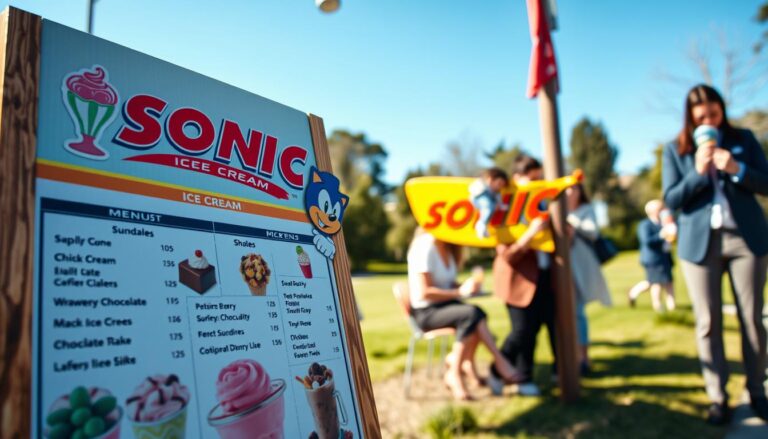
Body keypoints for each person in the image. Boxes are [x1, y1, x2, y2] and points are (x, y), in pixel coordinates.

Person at [662, 84, 768, 425]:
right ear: (691, 119)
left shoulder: (744, 139)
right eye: (701, 117)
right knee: (708, 323)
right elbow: (672, 199)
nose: (709, 120)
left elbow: (765, 183)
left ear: (721, 111)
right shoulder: (675, 149)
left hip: (744, 240)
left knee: (751, 319)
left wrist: (736, 168)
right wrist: (697, 171)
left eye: (714, 113)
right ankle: (717, 398)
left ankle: (757, 391)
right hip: (699, 243)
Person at [407, 228, 521, 401]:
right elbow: (425, 292)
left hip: (444, 306)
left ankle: (459, 364)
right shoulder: (424, 246)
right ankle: (465, 369)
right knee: (471, 315)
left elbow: (448, 283)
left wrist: (467, 288)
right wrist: (459, 292)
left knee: (477, 315)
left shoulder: (447, 246)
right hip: (426, 312)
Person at [490, 154, 557, 396]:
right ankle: (497, 370)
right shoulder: (502, 209)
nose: (537, 184)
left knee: (534, 330)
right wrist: (530, 235)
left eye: (540, 179)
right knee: (521, 331)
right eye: (532, 180)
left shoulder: (543, 204)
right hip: (516, 281)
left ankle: (524, 376)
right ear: (517, 179)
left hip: (542, 277)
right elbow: (506, 254)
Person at [565, 183, 612, 375]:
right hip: (564, 266)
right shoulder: (558, 209)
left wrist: (570, 223)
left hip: (581, 265)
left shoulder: (585, 210)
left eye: (574, 189)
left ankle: (583, 357)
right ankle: (570, 356)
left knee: (578, 312)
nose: (570, 193)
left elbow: (593, 232)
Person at [627, 200, 676, 312]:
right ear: (654, 212)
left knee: (668, 281)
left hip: (665, 257)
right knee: (656, 283)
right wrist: (661, 235)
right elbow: (647, 241)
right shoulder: (645, 225)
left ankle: (672, 307)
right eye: (661, 209)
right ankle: (658, 306)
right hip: (653, 259)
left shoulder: (663, 224)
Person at [469, 167, 509, 238]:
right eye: (499, 184)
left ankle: (484, 226)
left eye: (502, 185)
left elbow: (498, 199)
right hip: (479, 198)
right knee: (488, 208)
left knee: (490, 207)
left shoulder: (496, 193)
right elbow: (474, 190)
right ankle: (481, 224)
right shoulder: (482, 186)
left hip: (489, 203)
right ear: (490, 179)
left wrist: (499, 205)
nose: (500, 187)